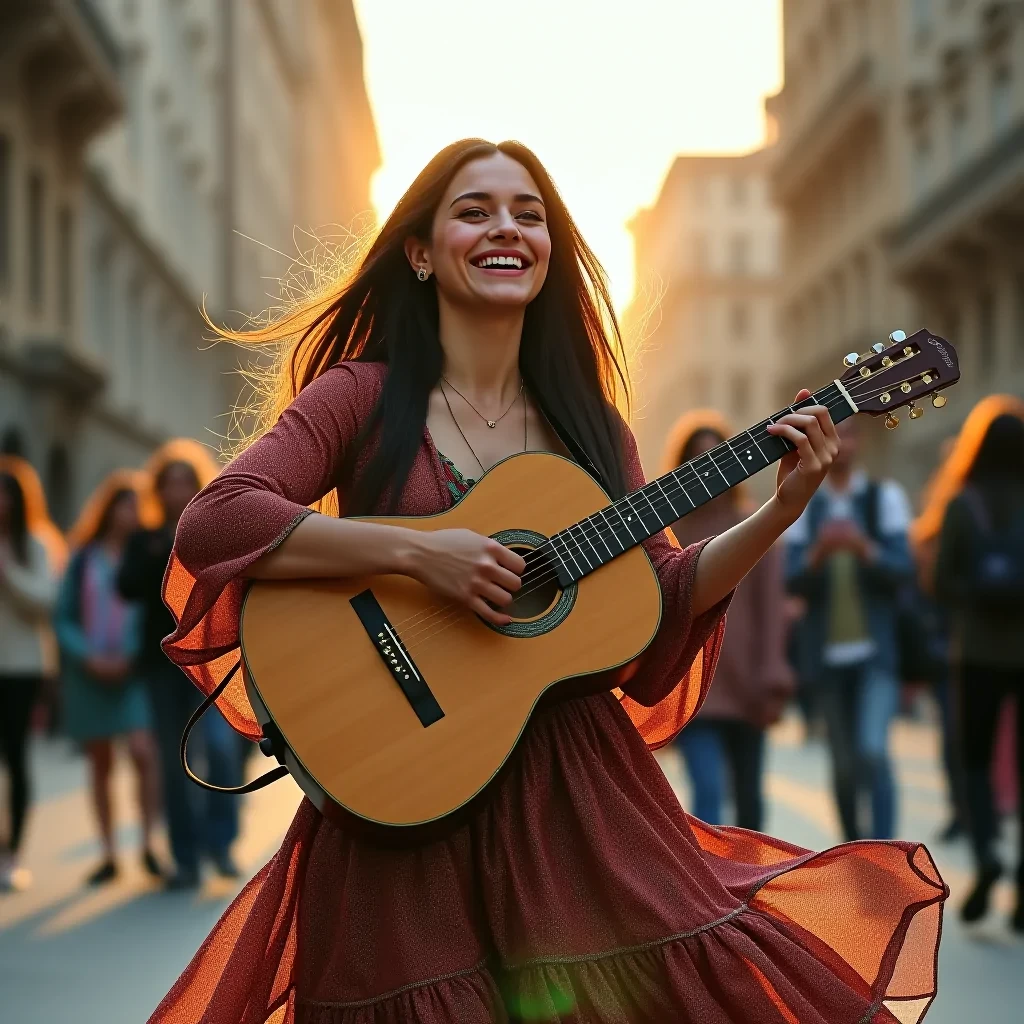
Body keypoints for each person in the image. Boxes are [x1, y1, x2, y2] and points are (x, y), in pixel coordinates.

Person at [149, 140, 945, 1023]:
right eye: (476, 209)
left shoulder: (593, 429)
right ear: (419, 251)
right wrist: (419, 553)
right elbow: (219, 518)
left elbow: (658, 608)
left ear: (551, 252)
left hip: (577, 803)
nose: (507, 229)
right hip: (406, 787)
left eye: (530, 214)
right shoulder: (360, 397)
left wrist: (778, 514)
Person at [118, 444, 244, 890]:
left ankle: (221, 844)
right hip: (159, 664)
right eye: (169, 482)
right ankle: (186, 857)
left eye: (184, 481)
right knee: (175, 763)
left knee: (221, 750)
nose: (177, 490)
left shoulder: (212, 532)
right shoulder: (145, 539)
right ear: (159, 489)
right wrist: (163, 551)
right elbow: (126, 586)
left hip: (209, 659)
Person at [784, 417, 914, 842]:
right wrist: (819, 554)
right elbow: (790, 576)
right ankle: (856, 849)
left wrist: (865, 549)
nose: (845, 443)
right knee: (841, 765)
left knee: (872, 752)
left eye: (852, 434)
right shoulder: (806, 503)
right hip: (825, 658)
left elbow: (904, 569)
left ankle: (886, 852)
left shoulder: (883, 498)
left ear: (862, 442)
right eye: (838, 433)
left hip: (876, 655)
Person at [662, 412, 793, 831]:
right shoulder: (669, 528)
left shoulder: (752, 521)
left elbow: (771, 604)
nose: (707, 471)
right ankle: (710, 894)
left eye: (715, 458)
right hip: (691, 682)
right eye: (697, 461)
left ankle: (753, 889)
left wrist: (773, 668)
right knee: (707, 792)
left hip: (746, 681)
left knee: (750, 798)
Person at [930, 403, 1024, 929]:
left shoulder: (962, 505)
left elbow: (940, 583)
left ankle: (987, 851)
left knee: (975, 762)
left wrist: (980, 591)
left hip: (978, 652)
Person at [55, 472, 163, 885]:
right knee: (100, 762)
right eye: (124, 504)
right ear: (108, 509)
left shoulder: (146, 554)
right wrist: (88, 657)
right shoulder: (84, 557)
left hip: (132, 671)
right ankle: (108, 852)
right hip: (90, 673)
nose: (131, 512)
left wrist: (134, 657)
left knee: (142, 751)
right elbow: (63, 616)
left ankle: (149, 843)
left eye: (136, 505)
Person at [0, 464, 59, 892]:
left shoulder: (35, 545)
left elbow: (44, 600)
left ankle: (11, 853)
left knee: (15, 758)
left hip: (21, 668)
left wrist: (8, 571)